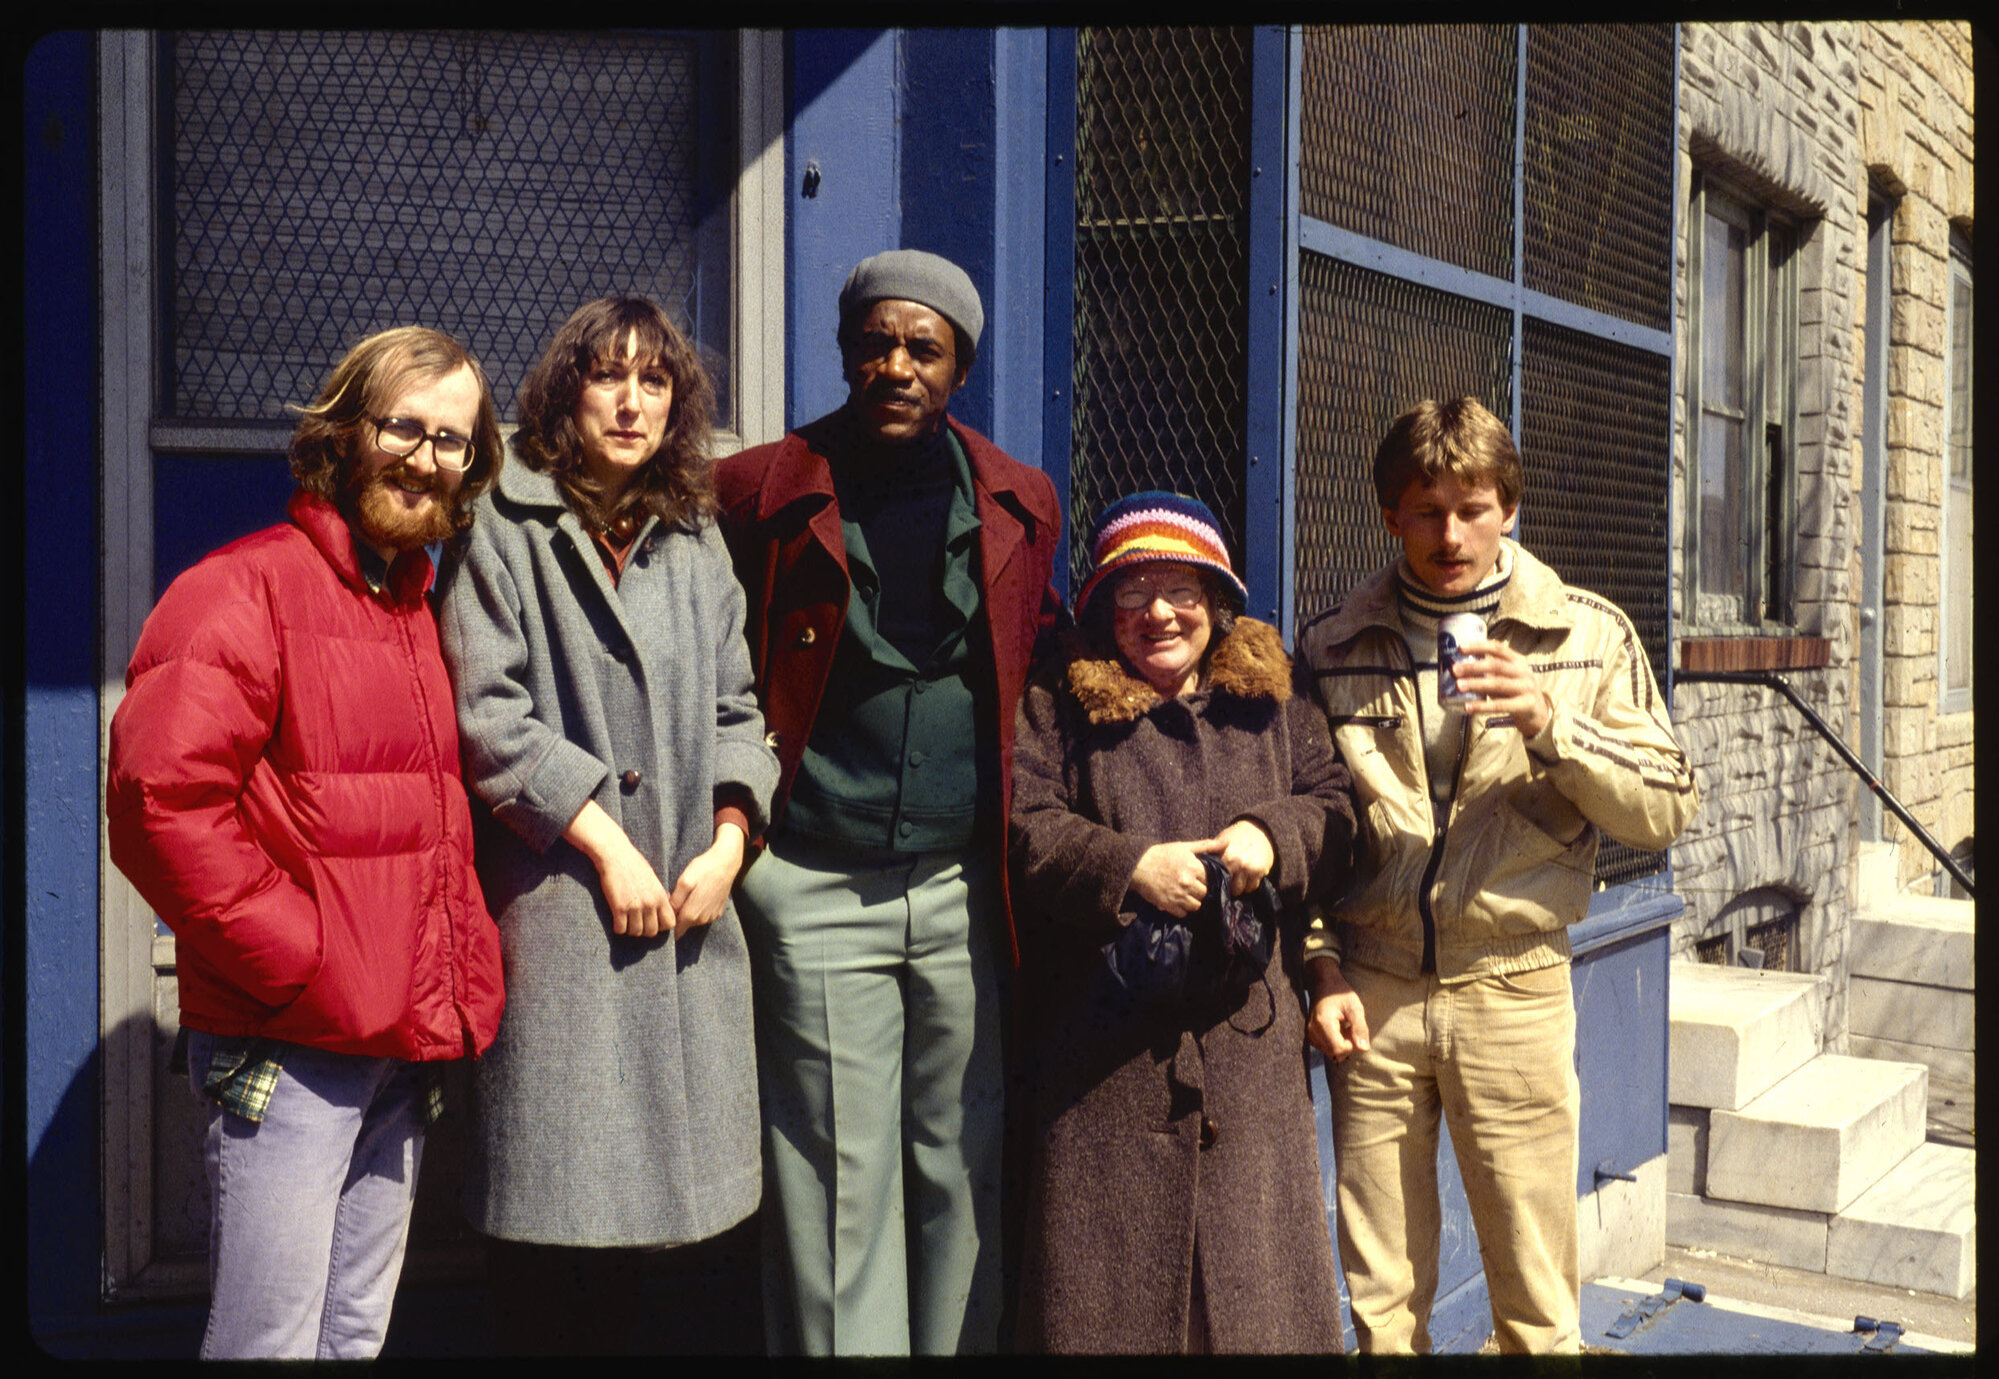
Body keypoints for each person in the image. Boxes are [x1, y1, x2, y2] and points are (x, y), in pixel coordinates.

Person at [105, 326, 508, 1359]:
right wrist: (304, 957)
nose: (424, 457)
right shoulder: (243, 589)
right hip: (291, 1045)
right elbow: (161, 799)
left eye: (451, 440)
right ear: (341, 434)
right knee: (267, 1342)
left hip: (399, 1046)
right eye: (402, 426)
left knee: (351, 1335)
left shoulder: (415, 605)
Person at [714, 249, 1063, 1355]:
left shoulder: (1018, 499)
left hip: (963, 879)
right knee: (833, 1178)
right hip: (813, 872)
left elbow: (1047, 660)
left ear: (958, 367)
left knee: (963, 1154)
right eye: (877, 342)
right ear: (845, 351)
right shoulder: (759, 491)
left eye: (924, 348)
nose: (897, 366)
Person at [1295, 397, 1699, 1354]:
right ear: (1388, 513)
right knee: (1379, 1297)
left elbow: (1666, 804)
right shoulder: (1331, 642)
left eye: (1471, 507)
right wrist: (1318, 962)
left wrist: (1551, 725)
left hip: (1514, 985)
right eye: (1425, 509)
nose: (1449, 534)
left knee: (1533, 1295)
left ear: (1507, 508)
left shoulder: (1584, 635)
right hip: (1375, 986)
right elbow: (1305, 824)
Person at [436, 296, 779, 1354]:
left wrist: (729, 842)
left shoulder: (692, 533)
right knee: (556, 1226)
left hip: (686, 910)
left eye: (655, 380)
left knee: (679, 1245)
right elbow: (486, 714)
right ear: (564, 391)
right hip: (562, 912)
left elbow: (738, 708)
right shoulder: (503, 521)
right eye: (607, 375)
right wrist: (605, 839)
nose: (631, 400)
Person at [1008, 492, 1355, 1354]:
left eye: (1180, 588)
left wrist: (1270, 836)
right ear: (1101, 608)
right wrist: (1129, 865)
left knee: (1254, 1302)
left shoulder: (1272, 701)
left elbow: (1336, 806)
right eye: (1132, 593)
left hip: (1247, 1057)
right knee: (1107, 1301)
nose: (1158, 612)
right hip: (1104, 1056)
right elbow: (1023, 825)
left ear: (1217, 597)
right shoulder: (1058, 703)